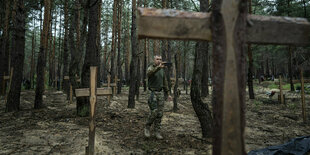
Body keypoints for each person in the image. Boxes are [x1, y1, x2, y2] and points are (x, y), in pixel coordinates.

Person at [144, 55, 172, 139]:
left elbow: (165, 82)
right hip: (152, 92)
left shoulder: (162, 70)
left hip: (160, 93)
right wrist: (158, 68)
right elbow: (149, 73)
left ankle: (157, 131)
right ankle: (147, 127)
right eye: (157, 59)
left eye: (160, 59)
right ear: (154, 60)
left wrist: (168, 93)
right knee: (154, 111)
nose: (159, 61)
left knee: (160, 113)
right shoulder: (151, 67)